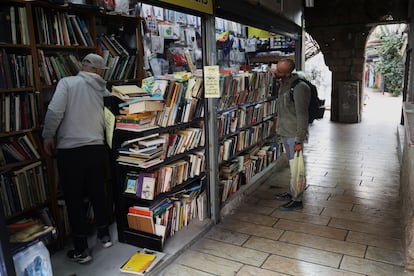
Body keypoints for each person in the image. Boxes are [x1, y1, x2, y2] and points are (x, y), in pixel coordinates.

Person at [42, 53, 113, 264]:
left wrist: (47, 135)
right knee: (98, 192)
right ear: (98, 70)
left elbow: (54, 111)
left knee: (74, 199)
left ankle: (82, 249)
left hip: (71, 150)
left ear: (83, 67)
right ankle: (104, 235)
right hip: (97, 149)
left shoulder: (67, 83)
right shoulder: (104, 90)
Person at [272, 58, 311, 211]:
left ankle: (297, 200)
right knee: (292, 166)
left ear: (287, 73)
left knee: (297, 168)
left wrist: (299, 140)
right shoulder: (284, 84)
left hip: (294, 134)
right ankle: (291, 192)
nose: (276, 72)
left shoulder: (300, 88)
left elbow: (302, 115)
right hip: (285, 132)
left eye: (279, 71)